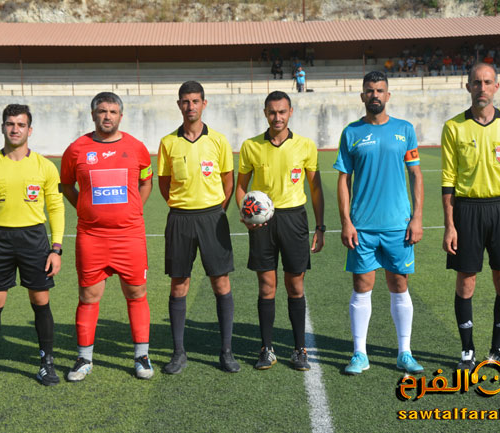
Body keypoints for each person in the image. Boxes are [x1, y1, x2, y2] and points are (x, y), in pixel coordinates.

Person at [0, 104, 65, 391]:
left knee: (40, 300)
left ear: (30, 130)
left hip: (34, 239)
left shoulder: (45, 166)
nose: (15, 129)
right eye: (10, 124)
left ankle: (47, 363)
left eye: (21, 125)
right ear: (2, 127)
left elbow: (56, 207)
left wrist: (56, 248)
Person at [441, 63, 500, 373]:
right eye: (477, 82)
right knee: (466, 281)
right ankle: (467, 351)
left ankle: (497, 348)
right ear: (468, 87)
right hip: (467, 210)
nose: (482, 87)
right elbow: (448, 180)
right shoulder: (454, 127)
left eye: (487, 82)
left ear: (496, 86)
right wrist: (450, 225)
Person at [334, 71, 425, 375]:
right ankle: (360, 354)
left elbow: (416, 175)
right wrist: (346, 222)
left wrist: (417, 217)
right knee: (362, 286)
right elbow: (343, 180)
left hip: (399, 226)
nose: (375, 95)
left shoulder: (404, 130)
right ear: (363, 96)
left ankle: (404, 352)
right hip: (362, 227)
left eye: (380, 90)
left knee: (399, 285)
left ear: (388, 95)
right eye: (370, 90)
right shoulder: (351, 132)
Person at [61, 92, 154, 381]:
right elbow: (66, 185)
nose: (107, 116)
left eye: (113, 111)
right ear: (93, 115)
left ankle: (141, 356)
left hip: (130, 236)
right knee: (88, 295)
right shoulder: (76, 149)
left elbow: (146, 180)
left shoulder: (136, 148)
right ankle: (84, 359)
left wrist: (134, 209)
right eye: (102, 111)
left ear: (121, 116)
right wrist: (85, 209)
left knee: (136, 293)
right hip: (92, 236)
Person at [236, 91, 325, 371]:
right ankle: (267, 349)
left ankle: (300, 349)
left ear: (290, 112)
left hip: (294, 219)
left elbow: (315, 188)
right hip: (262, 223)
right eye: (272, 112)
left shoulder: (305, 145)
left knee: (295, 285)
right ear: (265, 113)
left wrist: (320, 226)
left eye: (282, 112)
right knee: (266, 286)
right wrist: (245, 213)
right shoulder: (250, 146)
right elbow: (241, 187)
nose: (277, 117)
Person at [157, 81, 239, 374]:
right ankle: (179, 353)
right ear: (179, 105)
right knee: (179, 283)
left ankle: (226, 351)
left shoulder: (218, 140)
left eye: (195, 101)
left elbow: (228, 181)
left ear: (204, 103)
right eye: (185, 101)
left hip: (212, 218)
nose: (190, 106)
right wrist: (182, 205)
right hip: (180, 219)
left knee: (221, 282)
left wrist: (216, 210)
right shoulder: (168, 142)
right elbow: (164, 184)